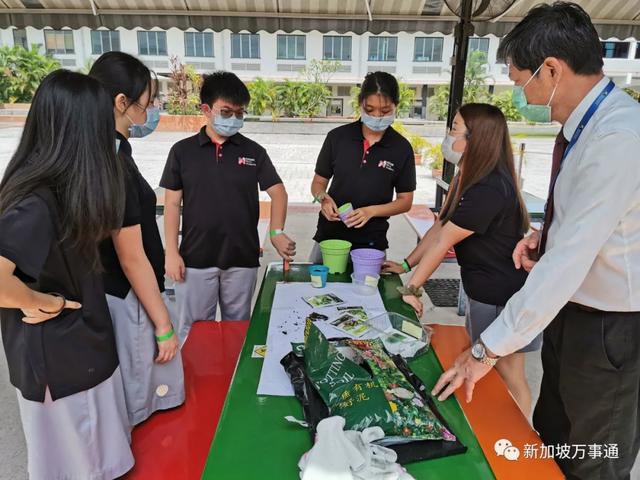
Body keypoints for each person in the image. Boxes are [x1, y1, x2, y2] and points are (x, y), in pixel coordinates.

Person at [431, 3, 640, 478]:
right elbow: (600, 221)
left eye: (519, 79)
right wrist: (546, 236)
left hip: (610, 327)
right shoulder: (585, 129)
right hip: (576, 316)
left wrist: (487, 349)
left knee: (593, 459)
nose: (519, 93)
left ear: (551, 70)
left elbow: (566, 265)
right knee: (553, 442)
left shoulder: (620, 137)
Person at [0, 70, 134, 479]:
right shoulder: (36, 203)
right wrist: (41, 301)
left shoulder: (68, 189)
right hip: (62, 367)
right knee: (80, 466)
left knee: (100, 461)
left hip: (85, 351)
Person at [384, 103, 541, 416]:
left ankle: (521, 439)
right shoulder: (465, 177)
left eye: (453, 129)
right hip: (483, 291)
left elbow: (445, 240)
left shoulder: (489, 187)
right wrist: (406, 265)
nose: (448, 136)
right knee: (487, 368)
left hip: (502, 294)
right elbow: (440, 227)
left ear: (476, 139)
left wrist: (413, 289)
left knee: (509, 373)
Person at [90, 52, 184, 426]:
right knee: (142, 392)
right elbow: (130, 256)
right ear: (121, 103)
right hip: (127, 293)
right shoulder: (111, 159)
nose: (151, 112)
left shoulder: (106, 149)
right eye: (148, 103)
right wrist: (163, 324)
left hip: (115, 290)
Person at [161, 71, 295, 331]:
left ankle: (232, 372)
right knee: (196, 331)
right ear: (206, 109)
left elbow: (278, 191)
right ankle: (198, 373)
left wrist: (277, 232)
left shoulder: (253, 152)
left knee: (238, 328)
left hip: (241, 259)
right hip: (196, 259)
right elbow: (172, 204)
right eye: (226, 111)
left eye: (239, 113)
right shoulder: (182, 152)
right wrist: (171, 253)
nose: (233, 119)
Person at [309, 71, 416, 262]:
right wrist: (323, 199)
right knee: (321, 288)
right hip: (330, 236)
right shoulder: (337, 138)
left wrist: (371, 211)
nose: (377, 117)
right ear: (360, 104)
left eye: (385, 111)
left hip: (371, 241)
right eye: (370, 109)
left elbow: (405, 201)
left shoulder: (401, 148)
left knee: (369, 290)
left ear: (396, 106)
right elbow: (318, 183)